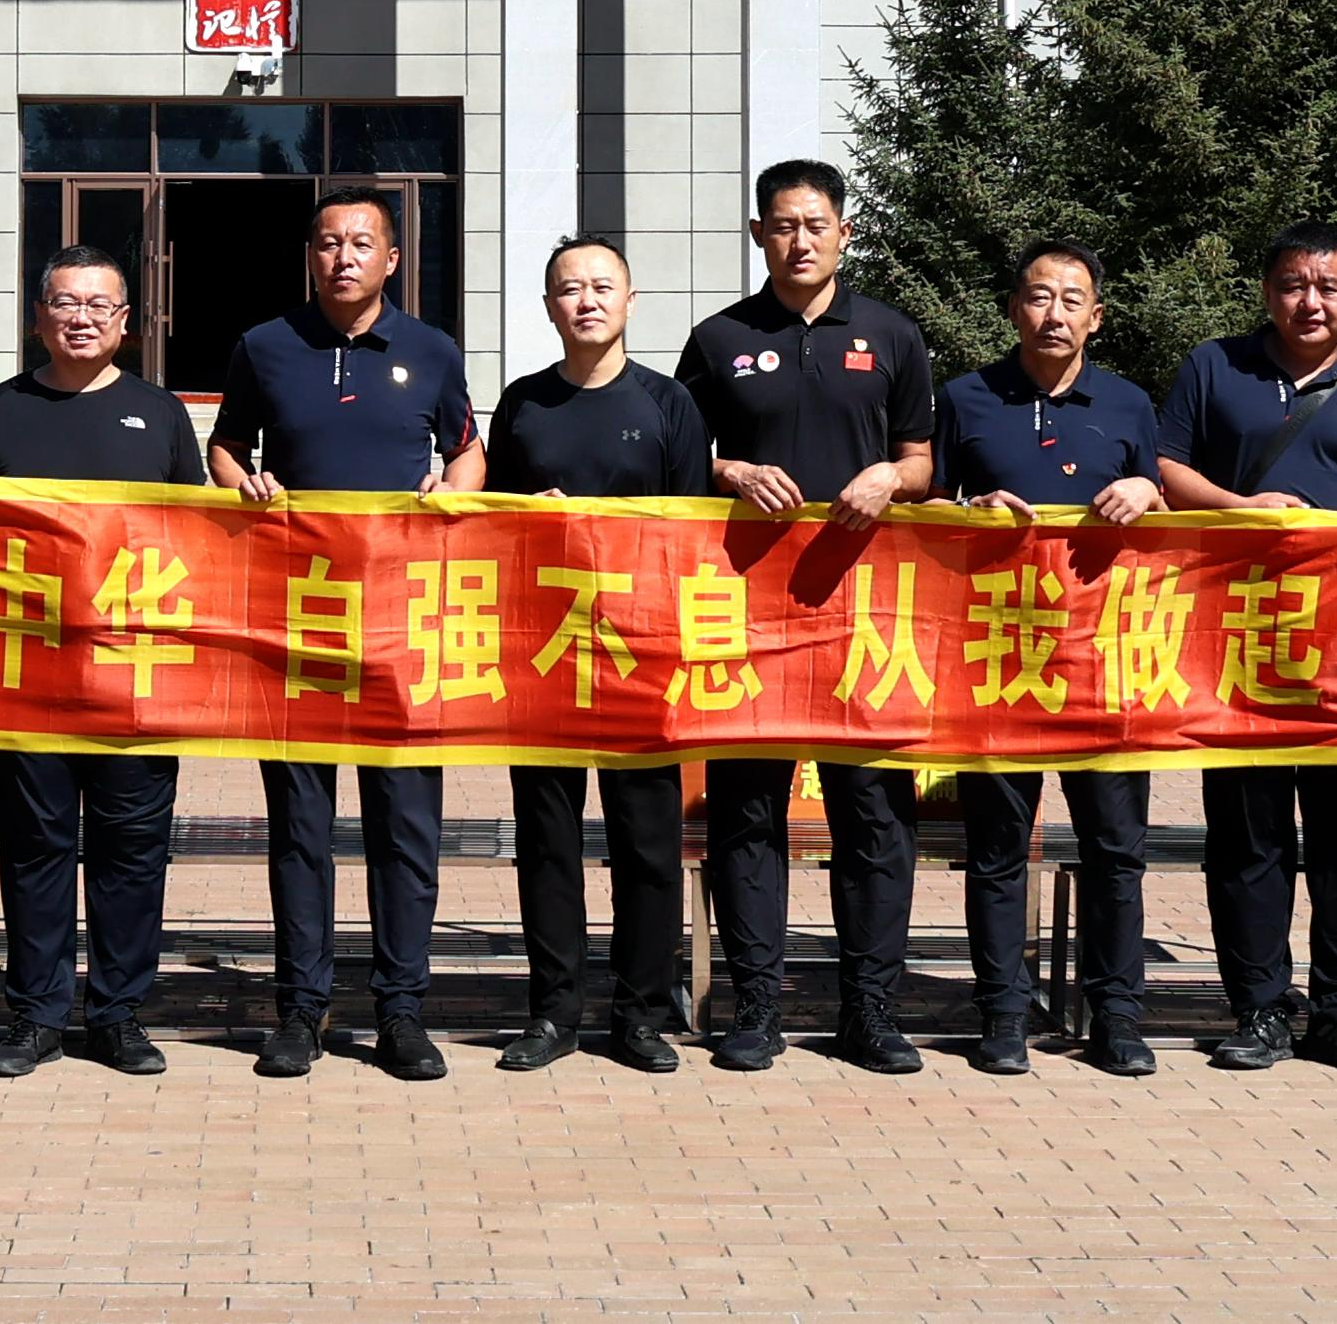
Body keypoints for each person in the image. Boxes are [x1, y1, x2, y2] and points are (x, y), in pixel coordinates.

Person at [671, 158, 940, 1075]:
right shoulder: (718, 338)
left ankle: (870, 1010)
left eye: (816, 224)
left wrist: (889, 476)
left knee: (874, 812)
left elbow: (922, 462)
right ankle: (754, 1005)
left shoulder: (892, 334)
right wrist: (732, 470)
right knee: (747, 809)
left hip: (864, 612)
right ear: (758, 234)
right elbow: (682, 457)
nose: (800, 240)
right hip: (749, 609)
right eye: (782, 225)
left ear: (844, 232)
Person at [208, 180, 479, 1083]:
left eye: (361, 243)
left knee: (405, 824)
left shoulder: (431, 350)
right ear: (310, 254)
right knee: (300, 825)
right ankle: (301, 1008)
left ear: (391, 259)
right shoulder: (264, 345)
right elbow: (225, 446)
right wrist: (241, 483)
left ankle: (401, 1009)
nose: (343, 257)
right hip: (297, 621)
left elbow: (467, 449)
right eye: (328, 242)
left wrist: (452, 489)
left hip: (401, 625)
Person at [1154, 218, 1337, 1077]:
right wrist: (1243, 508)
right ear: (1267, 291)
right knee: (1247, 837)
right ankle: (1259, 1006)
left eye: (1327, 286)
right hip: (1237, 645)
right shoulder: (1214, 368)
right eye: (1291, 284)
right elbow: (1166, 471)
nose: (1308, 301)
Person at [0, 247, 203, 1079]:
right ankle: (35, 1014)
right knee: (35, 846)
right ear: (38, 317)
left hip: (135, 676)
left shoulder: (159, 414)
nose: (82, 317)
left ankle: (119, 1013)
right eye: (65, 302)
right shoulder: (0, 410)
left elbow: (195, 542)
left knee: (132, 848)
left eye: (99, 304)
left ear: (125, 321)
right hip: (28, 676)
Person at [933, 237, 1165, 1079]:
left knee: (1114, 848)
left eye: (1072, 299)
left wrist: (1148, 488)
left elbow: (1166, 520)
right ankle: (1001, 1011)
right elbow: (924, 510)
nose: (1054, 313)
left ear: (1095, 317)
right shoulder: (964, 397)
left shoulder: (1129, 404)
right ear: (1013, 309)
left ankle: (1116, 1016)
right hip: (1001, 656)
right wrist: (966, 506)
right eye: (1038, 296)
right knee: (999, 847)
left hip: (1106, 661)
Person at [482, 234, 709, 1076]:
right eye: (569, 288)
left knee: (646, 842)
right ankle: (553, 1011)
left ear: (630, 301)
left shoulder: (668, 402)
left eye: (601, 286)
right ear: (548, 306)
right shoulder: (522, 403)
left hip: (641, 653)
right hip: (544, 653)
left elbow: (692, 532)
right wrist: (528, 516)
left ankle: (640, 1015)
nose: (586, 300)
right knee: (546, 840)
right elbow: (491, 528)